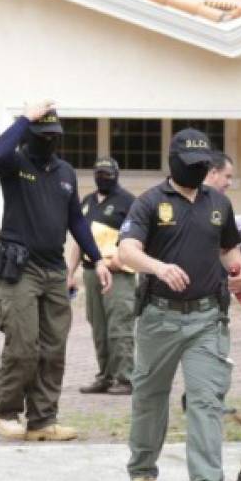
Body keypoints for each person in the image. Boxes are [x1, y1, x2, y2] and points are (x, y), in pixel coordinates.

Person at [118, 128, 241, 481]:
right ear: (173, 163)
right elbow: (126, 250)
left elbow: (228, 248)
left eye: (202, 166)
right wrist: (158, 267)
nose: (197, 171)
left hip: (207, 319)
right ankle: (141, 471)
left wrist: (237, 271)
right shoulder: (150, 203)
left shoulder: (219, 204)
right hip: (159, 318)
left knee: (206, 400)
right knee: (150, 396)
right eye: (190, 166)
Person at [0, 101, 112, 441]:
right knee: (23, 345)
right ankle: (7, 411)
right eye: (41, 134)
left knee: (54, 348)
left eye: (53, 135)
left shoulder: (65, 173)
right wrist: (25, 118)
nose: (48, 141)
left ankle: (43, 420)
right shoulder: (15, 164)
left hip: (55, 269)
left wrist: (97, 259)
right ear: (30, 134)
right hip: (20, 268)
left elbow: (76, 220)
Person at [67, 157, 136, 396]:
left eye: (108, 174)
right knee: (99, 326)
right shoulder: (86, 202)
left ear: (116, 175)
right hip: (90, 272)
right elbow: (79, 240)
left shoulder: (128, 202)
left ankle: (126, 378)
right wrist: (70, 272)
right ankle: (105, 376)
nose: (103, 178)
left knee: (120, 325)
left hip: (117, 273)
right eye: (99, 173)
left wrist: (120, 260)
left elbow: (136, 238)